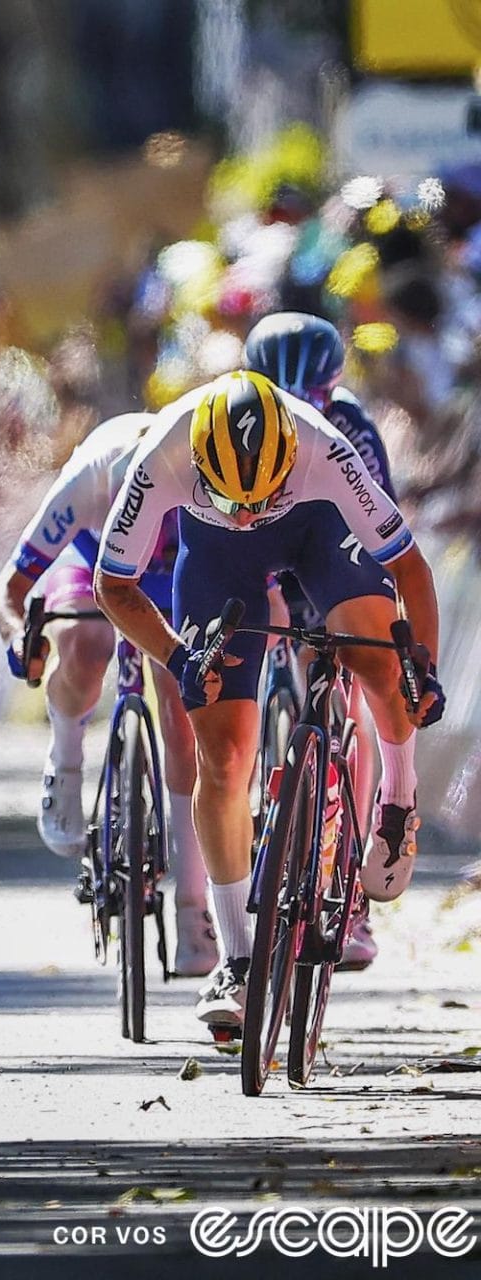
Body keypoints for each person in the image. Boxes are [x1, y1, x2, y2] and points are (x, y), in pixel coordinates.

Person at [94, 371, 443, 1030]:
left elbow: (408, 568)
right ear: (197, 462)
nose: (250, 511)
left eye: (263, 494)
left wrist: (420, 666)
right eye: (231, 496)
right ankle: (237, 959)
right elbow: (114, 585)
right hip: (216, 560)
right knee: (222, 762)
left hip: (318, 531)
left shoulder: (323, 448)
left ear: (291, 459)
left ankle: (397, 796)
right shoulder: (162, 453)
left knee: (375, 655)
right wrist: (176, 657)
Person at [0, 412, 217, 977]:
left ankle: (194, 907)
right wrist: (21, 640)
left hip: (170, 569)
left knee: (182, 706)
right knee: (84, 640)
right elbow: (10, 588)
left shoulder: (199, 479)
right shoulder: (89, 478)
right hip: (90, 561)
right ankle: (64, 759)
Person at [243, 311, 392, 969]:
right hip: (258, 546)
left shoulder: (355, 426)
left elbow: (383, 531)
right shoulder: (235, 413)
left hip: (333, 549)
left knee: (353, 694)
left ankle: (350, 893)